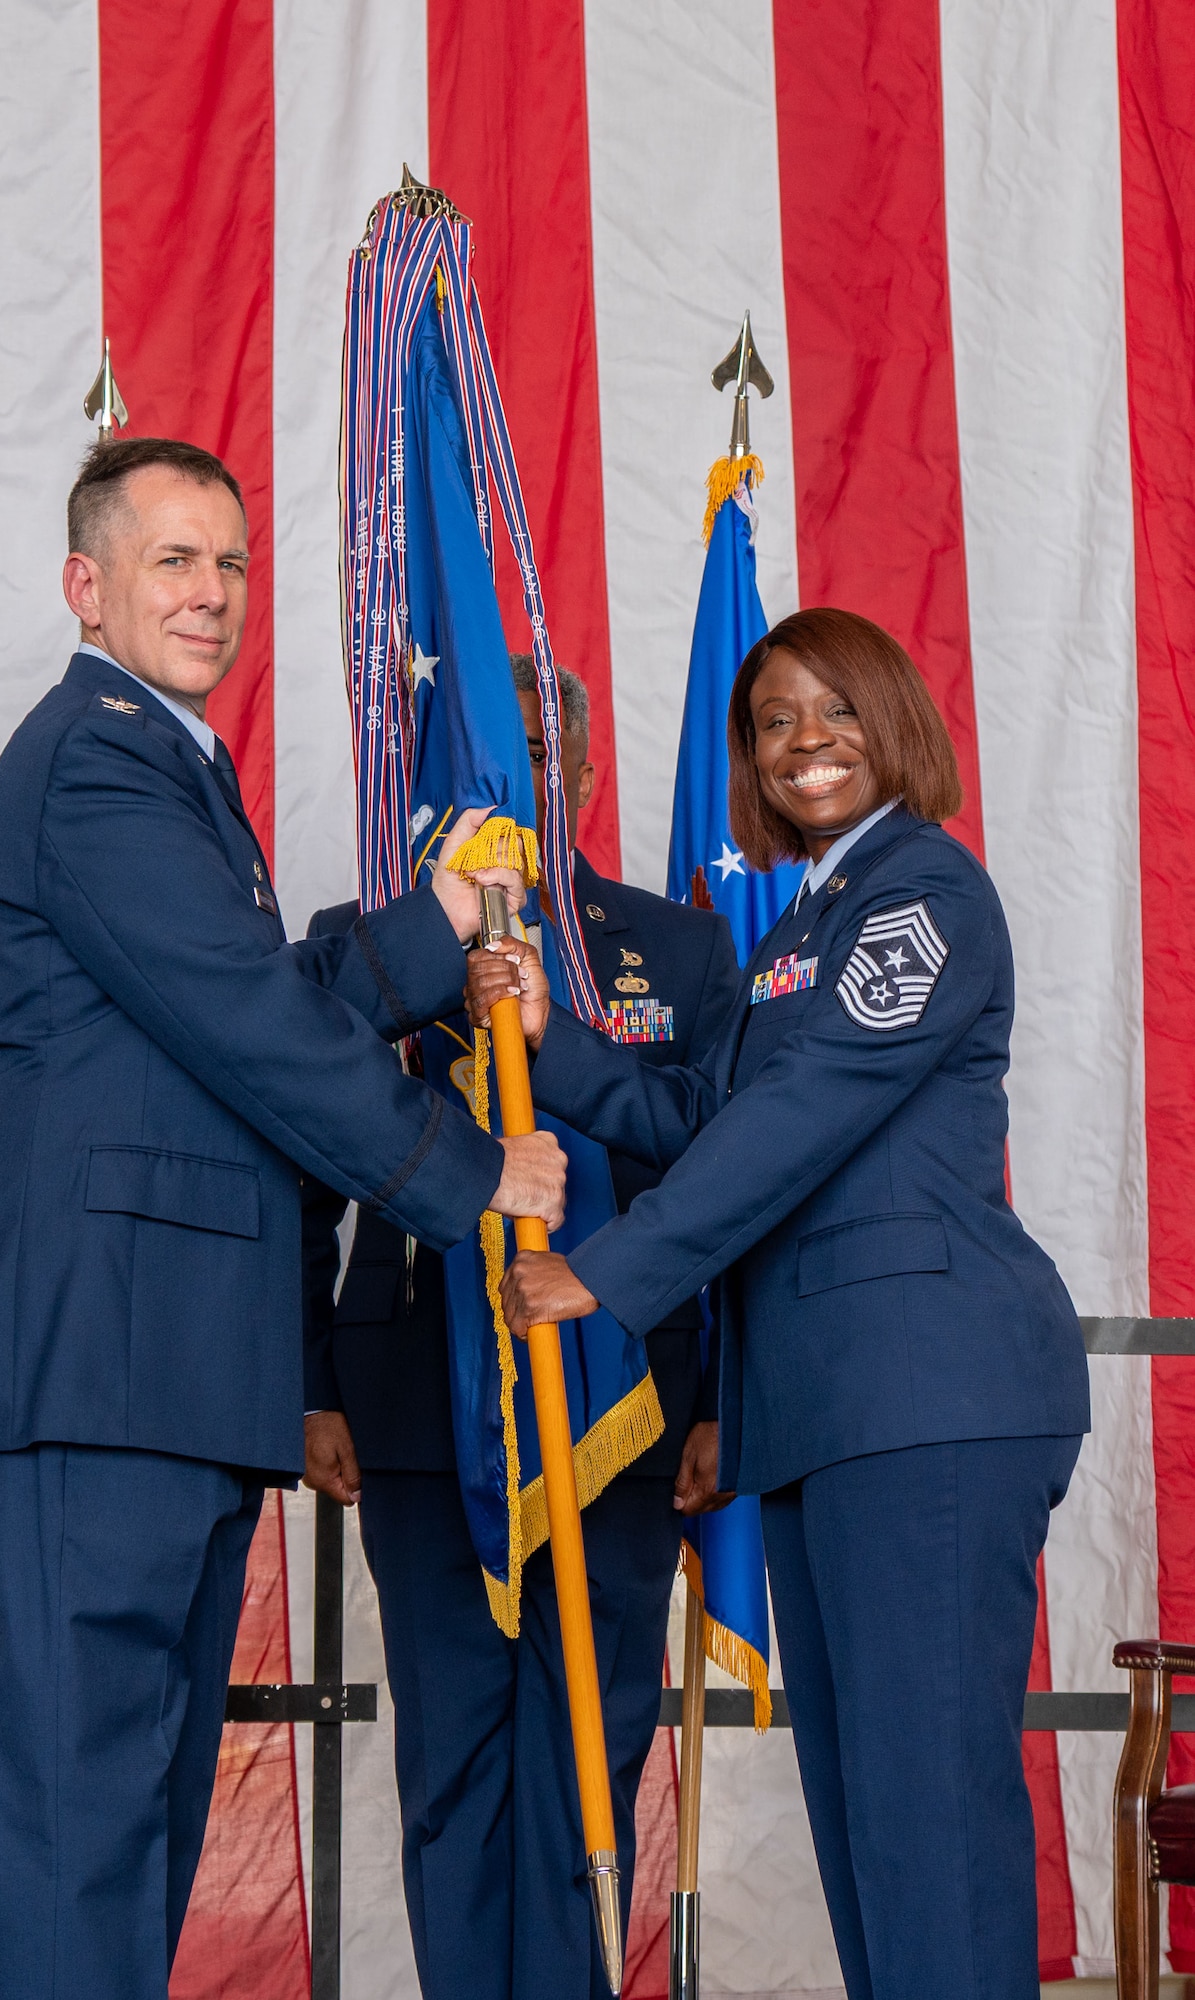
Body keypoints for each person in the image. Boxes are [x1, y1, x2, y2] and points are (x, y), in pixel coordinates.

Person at [0, 436, 565, 2000]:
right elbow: (246, 1025)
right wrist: (471, 1172)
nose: (210, 594)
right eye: (171, 561)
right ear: (88, 584)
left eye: (228, 563)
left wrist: (440, 926)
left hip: (166, 1380)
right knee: (85, 1844)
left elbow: (246, 1002)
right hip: (98, 1370)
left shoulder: (176, 770)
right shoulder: (97, 757)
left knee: (131, 1840)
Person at [475, 609, 1090, 2000]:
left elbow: (806, 1115)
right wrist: (545, 1047)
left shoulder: (925, 895)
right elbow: (706, 1114)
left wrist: (610, 1269)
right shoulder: (804, 920)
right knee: (870, 1828)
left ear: (897, 725)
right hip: (829, 1410)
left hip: (928, 1397)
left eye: (835, 709)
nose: (804, 740)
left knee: (926, 1821)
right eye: (772, 721)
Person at [301, 657, 740, 2000]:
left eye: (548, 762)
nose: (525, 790)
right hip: (423, 1411)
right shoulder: (369, 950)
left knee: (589, 1756)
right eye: (494, 768)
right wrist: (312, 1383)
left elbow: (727, 1179)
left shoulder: (674, 947)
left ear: (590, 776)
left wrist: (720, 1397)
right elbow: (301, 1170)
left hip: (623, 1415)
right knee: (451, 1764)